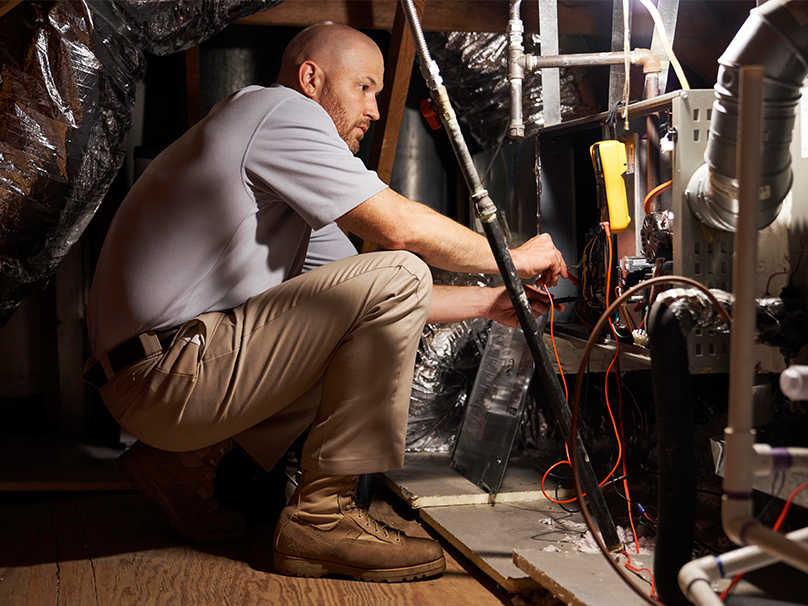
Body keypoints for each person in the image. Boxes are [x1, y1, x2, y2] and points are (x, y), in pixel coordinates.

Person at [82, 21, 568, 583]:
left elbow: (382, 301)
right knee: (401, 267)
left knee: (375, 300)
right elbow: (399, 235)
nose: (376, 110)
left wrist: (490, 304)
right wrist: (512, 256)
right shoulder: (275, 110)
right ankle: (324, 518)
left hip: (158, 379)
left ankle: (178, 463)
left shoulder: (285, 185)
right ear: (311, 79)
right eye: (364, 87)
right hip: (165, 374)